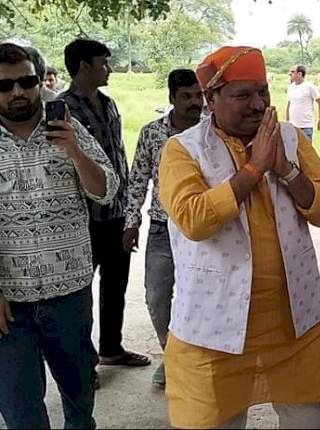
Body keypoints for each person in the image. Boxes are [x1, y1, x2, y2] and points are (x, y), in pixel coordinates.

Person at [157, 46, 320, 429]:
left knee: (312, 422)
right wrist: (254, 169)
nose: (259, 104)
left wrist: (286, 170)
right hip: (213, 330)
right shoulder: (182, 150)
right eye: (243, 95)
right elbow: (193, 218)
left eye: (262, 92)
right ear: (211, 99)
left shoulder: (289, 139)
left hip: (297, 326)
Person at [0, 42, 118, 428]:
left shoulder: (68, 128)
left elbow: (105, 190)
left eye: (26, 82)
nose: (17, 92)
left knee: (79, 399)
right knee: (20, 410)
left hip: (69, 295)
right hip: (9, 304)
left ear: (39, 82)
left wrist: (75, 152)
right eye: (4, 86)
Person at [60, 39, 150, 377]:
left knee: (115, 286)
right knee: (79, 296)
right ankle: (83, 364)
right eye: (103, 63)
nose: (109, 69)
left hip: (116, 214)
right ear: (84, 66)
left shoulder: (109, 104)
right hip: (83, 218)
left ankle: (111, 348)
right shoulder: (63, 109)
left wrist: (130, 214)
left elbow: (119, 158)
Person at [123, 69, 203, 389]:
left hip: (203, 228)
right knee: (157, 297)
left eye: (198, 95)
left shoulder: (213, 130)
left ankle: (195, 358)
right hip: (162, 227)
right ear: (171, 98)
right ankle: (171, 354)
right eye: (186, 96)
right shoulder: (152, 133)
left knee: (200, 295)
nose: (194, 102)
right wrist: (131, 221)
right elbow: (138, 179)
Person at [286, 64, 320, 142]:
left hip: (306, 126)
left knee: (306, 149)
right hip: (293, 126)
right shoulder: (290, 87)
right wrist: (288, 121)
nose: (290, 74)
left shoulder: (310, 87)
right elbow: (289, 104)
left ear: (299, 74)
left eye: (293, 72)